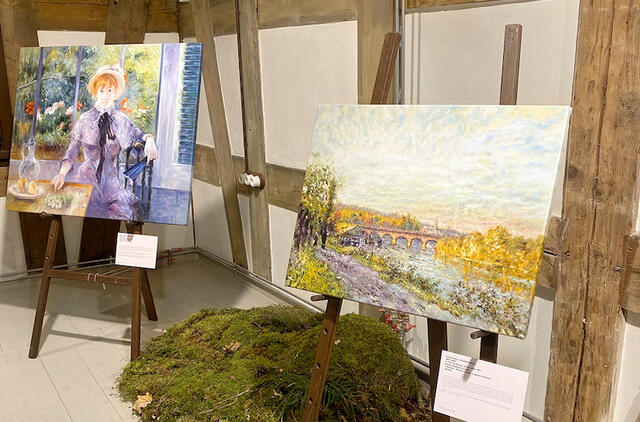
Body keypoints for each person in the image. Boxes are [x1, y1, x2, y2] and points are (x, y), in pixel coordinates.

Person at [51, 64, 158, 220]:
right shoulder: (85, 119)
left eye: (109, 90)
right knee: (80, 210)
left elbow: (138, 134)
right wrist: (61, 174)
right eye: (101, 90)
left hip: (111, 182)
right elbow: (72, 151)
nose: (105, 95)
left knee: (124, 213)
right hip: (86, 179)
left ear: (115, 94)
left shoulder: (120, 119)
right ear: (95, 93)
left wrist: (149, 139)